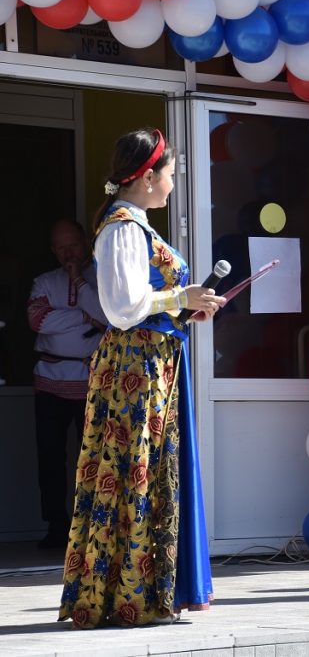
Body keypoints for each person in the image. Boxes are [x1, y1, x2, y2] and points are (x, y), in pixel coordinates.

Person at [58, 128, 225, 628]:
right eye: (169, 174)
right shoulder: (123, 228)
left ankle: (147, 592)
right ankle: (131, 597)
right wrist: (180, 298)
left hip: (154, 361)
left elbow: (144, 304)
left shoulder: (135, 225)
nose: (173, 184)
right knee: (136, 467)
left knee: (149, 467)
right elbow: (122, 308)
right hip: (136, 366)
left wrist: (184, 309)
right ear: (148, 177)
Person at [28, 220, 108, 550]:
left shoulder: (103, 278)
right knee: (50, 456)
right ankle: (56, 526)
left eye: (72, 245)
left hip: (94, 379)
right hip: (50, 380)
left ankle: (94, 527)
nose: (68, 253)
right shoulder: (44, 282)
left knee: (93, 457)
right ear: (53, 251)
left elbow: (107, 316)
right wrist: (85, 317)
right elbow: (38, 321)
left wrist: (81, 286)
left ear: (85, 242)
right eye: (61, 248)